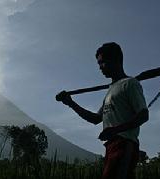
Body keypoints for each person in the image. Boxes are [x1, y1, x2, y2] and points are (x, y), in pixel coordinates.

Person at [56, 42, 149, 179]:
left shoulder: (130, 84)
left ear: (116, 60)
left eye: (103, 62)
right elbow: (95, 119)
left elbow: (143, 115)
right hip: (111, 146)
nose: (100, 67)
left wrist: (115, 130)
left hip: (125, 144)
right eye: (99, 64)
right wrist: (70, 103)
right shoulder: (111, 91)